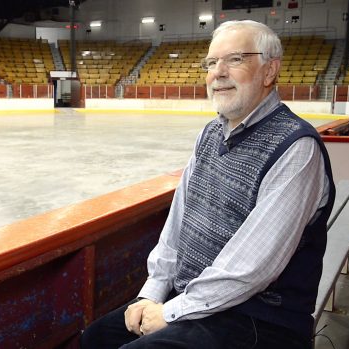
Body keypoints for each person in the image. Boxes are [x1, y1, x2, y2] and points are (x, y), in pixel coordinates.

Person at [80, 20, 335, 349]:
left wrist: (170, 313)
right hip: (197, 302)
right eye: (212, 62)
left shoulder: (296, 149)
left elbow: (250, 269)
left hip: (259, 320)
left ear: (270, 71)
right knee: (96, 338)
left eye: (236, 59)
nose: (219, 72)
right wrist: (150, 295)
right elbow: (178, 227)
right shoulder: (210, 134)